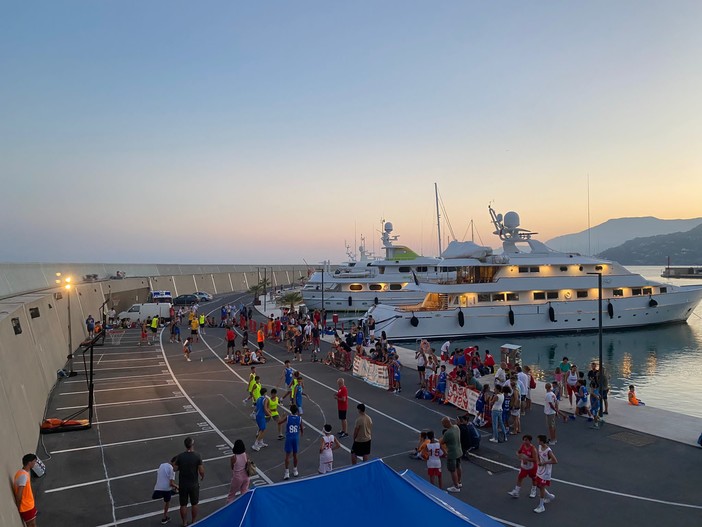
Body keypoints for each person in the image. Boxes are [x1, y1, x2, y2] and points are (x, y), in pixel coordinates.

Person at [174, 437, 205, 526]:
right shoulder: (197, 456)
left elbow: (175, 469)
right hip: (193, 484)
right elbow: (201, 470)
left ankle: (184, 522)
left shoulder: (180, 456)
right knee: (194, 503)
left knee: (183, 505)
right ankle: (194, 521)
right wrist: (202, 476)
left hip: (183, 484)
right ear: (192, 445)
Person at [508, 435, 538, 499]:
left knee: (533, 478)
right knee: (520, 478)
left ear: (530, 441)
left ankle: (533, 491)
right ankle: (516, 492)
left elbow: (535, 459)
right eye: (524, 440)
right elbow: (518, 452)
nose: (524, 441)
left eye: (526, 440)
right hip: (524, 466)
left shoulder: (533, 449)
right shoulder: (523, 446)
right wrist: (519, 455)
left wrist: (526, 458)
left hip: (532, 467)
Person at [533, 435, 558, 513]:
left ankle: (541, 506)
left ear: (542, 441)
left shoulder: (548, 451)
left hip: (546, 472)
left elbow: (555, 461)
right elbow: (538, 455)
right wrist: (538, 462)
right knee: (537, 484)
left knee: (541, 487)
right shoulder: (540, 447)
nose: (537, 441)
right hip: (540, 469)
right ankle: (549, 496)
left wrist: (545, 462)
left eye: (538, 440)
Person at [280, 404, 304, 480]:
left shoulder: (287, 418)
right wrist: (301, 434)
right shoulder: (299, 418)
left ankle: (286, 472)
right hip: (295, 437)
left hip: (289, 437)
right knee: (295, 454)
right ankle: (295, 470)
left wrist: (283, 416)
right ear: (296, 411)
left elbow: (279, 422)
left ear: (290, 410)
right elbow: (301, 428)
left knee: (287, 455)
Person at [14, 453, 38, 527]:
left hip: (29, 505)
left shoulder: (21, 472)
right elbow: (19, 494)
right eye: (34, 461)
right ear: (29, 463)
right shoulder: (23, 476)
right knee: (32, 525)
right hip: (26, 507)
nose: (35, 463)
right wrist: (19, 507)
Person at [152, 457, 178, 524]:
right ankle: (164, 517)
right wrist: (177, 486)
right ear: (175, 463)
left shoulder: (162, 465)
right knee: (167, 502)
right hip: (166, 489)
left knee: (169, 492)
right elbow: (171, 483)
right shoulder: (172, 470)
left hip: (158, 487)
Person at [439, 416, 462, 493]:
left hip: (452, 453)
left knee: (453, 470)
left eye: (443, 424)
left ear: (446, 423)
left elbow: (441, 442)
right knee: (458, 466)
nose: (443, 425)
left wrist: (445, 452)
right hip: (459, 450)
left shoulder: (448, 433)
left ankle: (456, 486)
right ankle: (459, 482)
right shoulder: (456, 427)